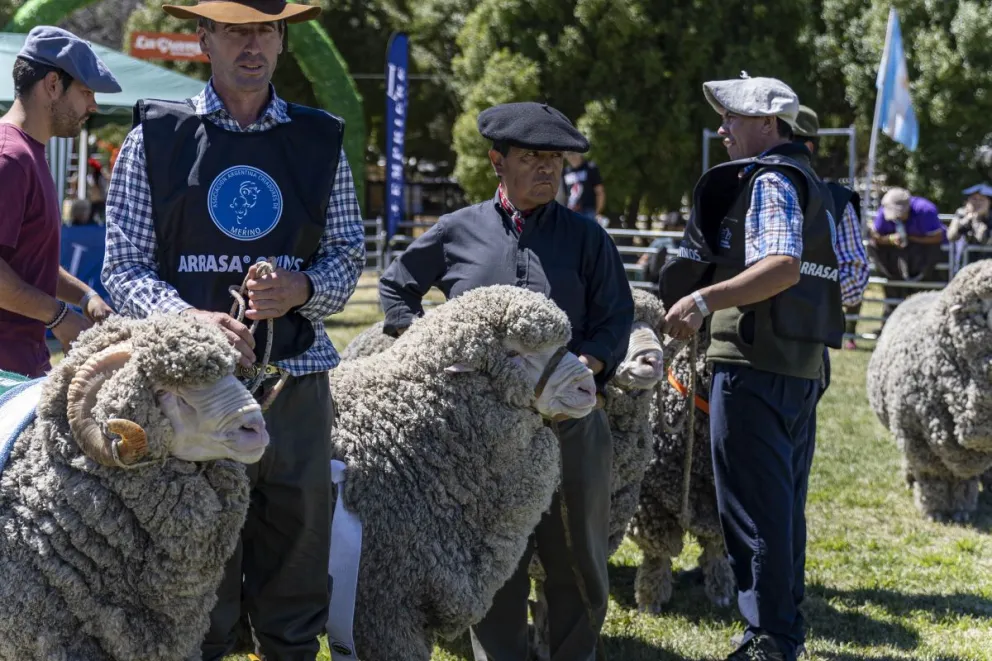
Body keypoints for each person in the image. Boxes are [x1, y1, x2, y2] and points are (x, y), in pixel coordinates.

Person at [100, 0, 366, 658]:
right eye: (235, 30)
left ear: (281, 41)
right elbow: (124, 267)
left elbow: (348, 253)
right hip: (192, 394)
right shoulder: (154, 138)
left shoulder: (318, 137)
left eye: (266, 30)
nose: (253, 44)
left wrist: (302, 287)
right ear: (203, 39)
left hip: (297, 385)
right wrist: (189, 320)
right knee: (198, 581)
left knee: (298, 575)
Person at [378, 101, 634, 661]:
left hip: (567, 421)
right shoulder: (455, 231)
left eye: (555, 160)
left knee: (577, 559)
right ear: (498, 161)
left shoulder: (587, 239)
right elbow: (396, 290)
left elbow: (617, 316)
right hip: (483, 436)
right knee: (493, 559)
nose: (548, 170)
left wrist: (587, 366)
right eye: (531, 158)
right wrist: (429, 345)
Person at [661, 76, 844, 661]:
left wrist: (703, 299)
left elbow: (783, 266)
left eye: (733, 117)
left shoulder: (768, 178)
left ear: (768, 126)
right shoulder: (812, 182)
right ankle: (783, 629)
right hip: (799, 364)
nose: (723, 129)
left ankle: (767, 640)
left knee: (752, 510)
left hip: (752, 366)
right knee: (783, 507)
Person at [0, 25, 117, 378]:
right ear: (52, 85)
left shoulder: (27, 154)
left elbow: (27, 265)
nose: (93, 106)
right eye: (86, 92)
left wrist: (85, 297)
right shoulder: (10, 157)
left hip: (19, 367)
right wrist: (60, 316)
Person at [793, 104, 869, 350]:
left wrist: (794, 296)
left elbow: (855, 278)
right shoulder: (740, 190)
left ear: (806, 147)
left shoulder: (835, 203)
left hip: (804, 344)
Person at [867, 187, 945, 319]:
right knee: (893, 293)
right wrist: (891, 239)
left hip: (927, 258)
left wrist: (910, 238)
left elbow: (938, 237)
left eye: (900, 212)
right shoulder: (883, 212)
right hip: (897, 260)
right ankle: (889, 322)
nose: (896, 216)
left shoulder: (925, 209)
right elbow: (876, 236)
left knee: (926, 296)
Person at [947, 183, 992, 266]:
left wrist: (980, 221)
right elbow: (951, 236)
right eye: (974, 199)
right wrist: (967, 220)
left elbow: (982, 240)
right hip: (965, 262)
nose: (977, 203)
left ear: (989, 203)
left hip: (988, 263)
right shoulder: (961, 213)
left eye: (982, 200)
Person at [563, 151, 607, 226]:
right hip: (571, 212)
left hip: (588, 211)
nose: (572, 156)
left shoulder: (591, 168)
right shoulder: (565, 172)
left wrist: (597, 212)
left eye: (574, 153)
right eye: (569, 153)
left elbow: (600, 192)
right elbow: (565, 195)